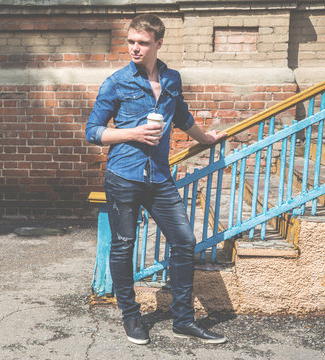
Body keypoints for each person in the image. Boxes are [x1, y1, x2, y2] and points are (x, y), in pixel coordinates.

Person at [85, 14, 227, 345]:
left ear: (158, 44)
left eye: (142, 43)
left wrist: (205, 138)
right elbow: (93, 131)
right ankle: (131, 317)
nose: (134, 48)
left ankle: (183, 319)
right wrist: (132, 132)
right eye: (131, 41)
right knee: (124, 246)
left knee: (184, 240)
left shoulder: (172, 79)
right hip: (123, 176)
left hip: (159, 177)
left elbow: (181, 116)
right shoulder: (116, 82)